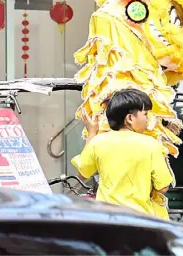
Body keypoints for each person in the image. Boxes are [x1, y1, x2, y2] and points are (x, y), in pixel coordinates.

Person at [71, 88, 173, 220]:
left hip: (106, 219)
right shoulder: (150, 144)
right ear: (130, 118)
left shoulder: (98, 141)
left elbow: (83, 172)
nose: (147, 119)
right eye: (145, 114)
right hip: (139, 220)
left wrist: (92, 132)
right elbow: (163, 188)